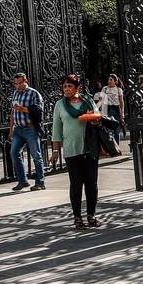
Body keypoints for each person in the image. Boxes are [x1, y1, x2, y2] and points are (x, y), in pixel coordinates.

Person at [49, 74, 102, 230]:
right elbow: (56, 129)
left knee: (92, 184)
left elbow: (98, 117)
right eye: (64, 86)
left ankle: (91, 215)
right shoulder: (60, 105)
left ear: (77, 88)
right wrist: (55, 150)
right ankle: (77, 217)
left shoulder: (87, 101)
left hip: (89, 148)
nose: (66, 89)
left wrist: (94, 119)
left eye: (69, 86)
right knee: (76, 184)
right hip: (71, 150)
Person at [7, 72, 46, 192]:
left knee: (36, 155)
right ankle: (22, 180)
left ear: (25, 81)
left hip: (30, 128)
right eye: (15, 84)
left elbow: (39, 111)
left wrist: (22, 109)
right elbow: (13, 112)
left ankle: (40, 182)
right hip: (18, 129)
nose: (17, 86)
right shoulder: (15, 93)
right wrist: (11, 129)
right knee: (14, 153)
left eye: (20, 83)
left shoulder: (34, 93)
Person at [102, 74, 126, 142]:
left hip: (116, 110)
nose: (109, 81)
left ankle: (117, 147)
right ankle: (111, 148)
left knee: (116, 131)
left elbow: (121, 102)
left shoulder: (119, 90)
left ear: (115, 81)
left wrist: (122, 113)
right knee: (108, 131)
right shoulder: (105, 88)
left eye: (111, 80)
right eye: (108, 79)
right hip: (107, 110)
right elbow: (101, 100)